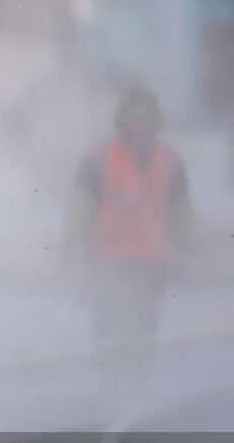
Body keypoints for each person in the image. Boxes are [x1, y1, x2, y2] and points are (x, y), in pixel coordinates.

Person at [67, 88, 195, 375]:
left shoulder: (170, 160)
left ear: (156, 122)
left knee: (142, 335)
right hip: (107, 263)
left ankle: (135, 388)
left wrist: (189, 250)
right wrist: (74, 249)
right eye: (134, 119)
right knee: (108, 334)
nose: (140, 127)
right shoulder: (99, 158)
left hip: (152, 266)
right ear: (121, 122)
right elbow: (79, 210)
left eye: (146, 120)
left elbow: (182, 213)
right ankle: (109, 388)